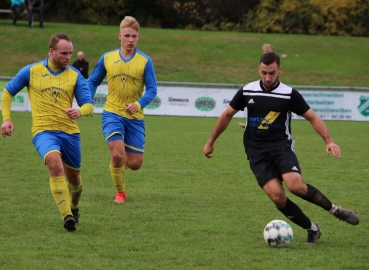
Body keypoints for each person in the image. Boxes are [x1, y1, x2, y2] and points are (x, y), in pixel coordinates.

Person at [204, 52, 359, 244]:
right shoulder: (247, 91)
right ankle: (312, 228)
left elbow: (313, 117)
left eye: (272, 73)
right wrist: (211, 142)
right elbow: (226, 115)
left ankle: (334, 210)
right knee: (277, 197)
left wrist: (329, 140)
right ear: (258, 70)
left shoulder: (289, 94)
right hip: (256, 151)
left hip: (280, 146)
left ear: (280, 70)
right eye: (264, 73)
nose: (267, 78)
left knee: (295, 186)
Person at [1, 33, 94, 232]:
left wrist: (79, 111)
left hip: (69, 133)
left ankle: (74, 207)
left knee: (75, 180)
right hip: (43, 131)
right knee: (54, 162)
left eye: (70, 53)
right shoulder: (31, 71)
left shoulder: (75, 75)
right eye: (64, 53)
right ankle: (67, 216)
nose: (68, 57)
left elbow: (89, 105)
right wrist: (6, 118)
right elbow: (8, 92)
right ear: (51, 51)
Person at [88, 16, 157, 203]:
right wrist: (87, 101)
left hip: (135, 117)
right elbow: (93, 81)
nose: (131, 40)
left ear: (138, 37)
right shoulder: (107, 58)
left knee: (134, 164)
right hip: (112, 112)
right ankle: (120, 193)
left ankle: (120, 161)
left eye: (134, 36)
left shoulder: (145, 61)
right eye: (127, 35)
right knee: (117, 154)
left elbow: (152, 89)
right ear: (119, 36)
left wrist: (139, 104)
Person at [239, 43, 275, 129]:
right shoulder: (263, 63)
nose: (265, 53)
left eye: (267, 51)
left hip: (270, 89)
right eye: (264, 51)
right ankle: (250, 124)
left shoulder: (273, 63)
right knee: (255, 106)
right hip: (264, 88)